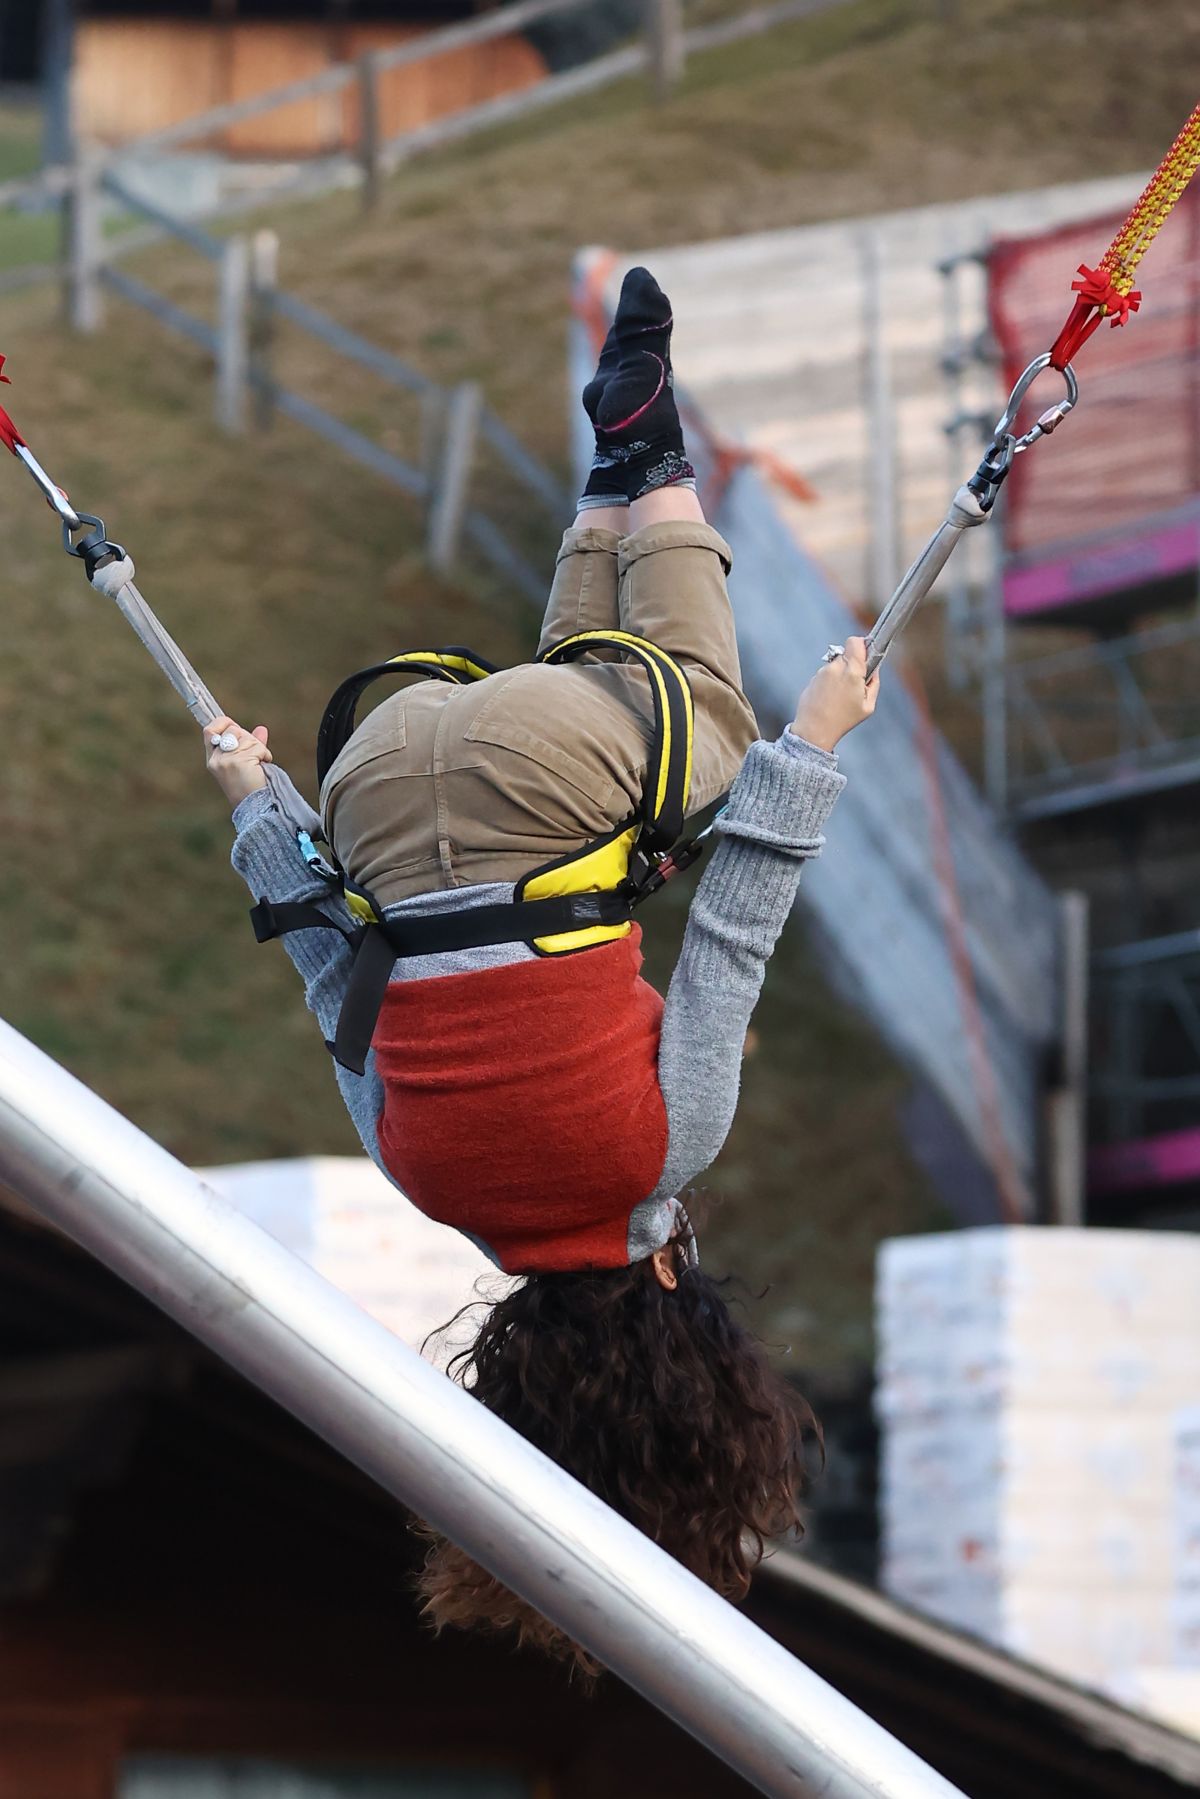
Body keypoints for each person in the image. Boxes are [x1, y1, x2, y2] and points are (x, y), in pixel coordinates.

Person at [204, 268, 879, 1671]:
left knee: (692, 719)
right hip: (379, 770)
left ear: (684, 1305)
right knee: (603, 719)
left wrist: (813, 740)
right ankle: (609, 474)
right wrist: (258, 810)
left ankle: (656, 459)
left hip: (546, 760)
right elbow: (337, 986)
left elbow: (743, 916)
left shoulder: (661, 1149)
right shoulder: (424, 1176)